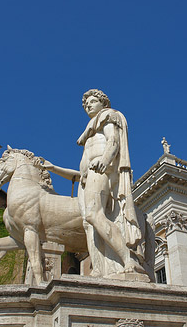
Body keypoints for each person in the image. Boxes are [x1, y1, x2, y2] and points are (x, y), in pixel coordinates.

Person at [45, 89, 146, 278]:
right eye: (85, 104)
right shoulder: (89, 133)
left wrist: (106, 160)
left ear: (103, 103)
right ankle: (98, 268)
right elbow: (78, 174)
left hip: (101, 169)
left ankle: (127, 259)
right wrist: (53, 168)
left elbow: (113, 141)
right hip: (89, 175)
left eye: (92, 102)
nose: (87, 106)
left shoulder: (107, 117)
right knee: (88, 223)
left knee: (93, 215)